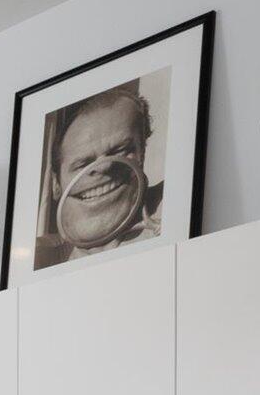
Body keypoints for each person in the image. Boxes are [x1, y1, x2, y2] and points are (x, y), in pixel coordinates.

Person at [35, 82, 164, 267]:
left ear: (142, 153)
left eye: (120, 150)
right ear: (56, 184)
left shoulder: (174, 205)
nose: (104, 167)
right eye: (83, 163)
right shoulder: (39, 258)